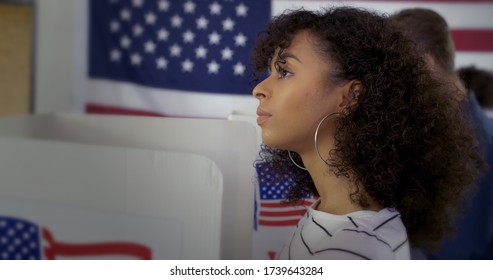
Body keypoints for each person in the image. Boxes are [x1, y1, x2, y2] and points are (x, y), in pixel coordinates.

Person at [251, 6, 484, 260]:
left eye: (284, 72)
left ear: (351, 96)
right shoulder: (336, 217)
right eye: (271, 72)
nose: (259, 89)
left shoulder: (351, 250)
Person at [389, 8, 493, 259]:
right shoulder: (430, 133)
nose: (386, 83)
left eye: (393, 69)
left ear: (423, 64)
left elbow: (453, 254)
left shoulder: (474, 147)